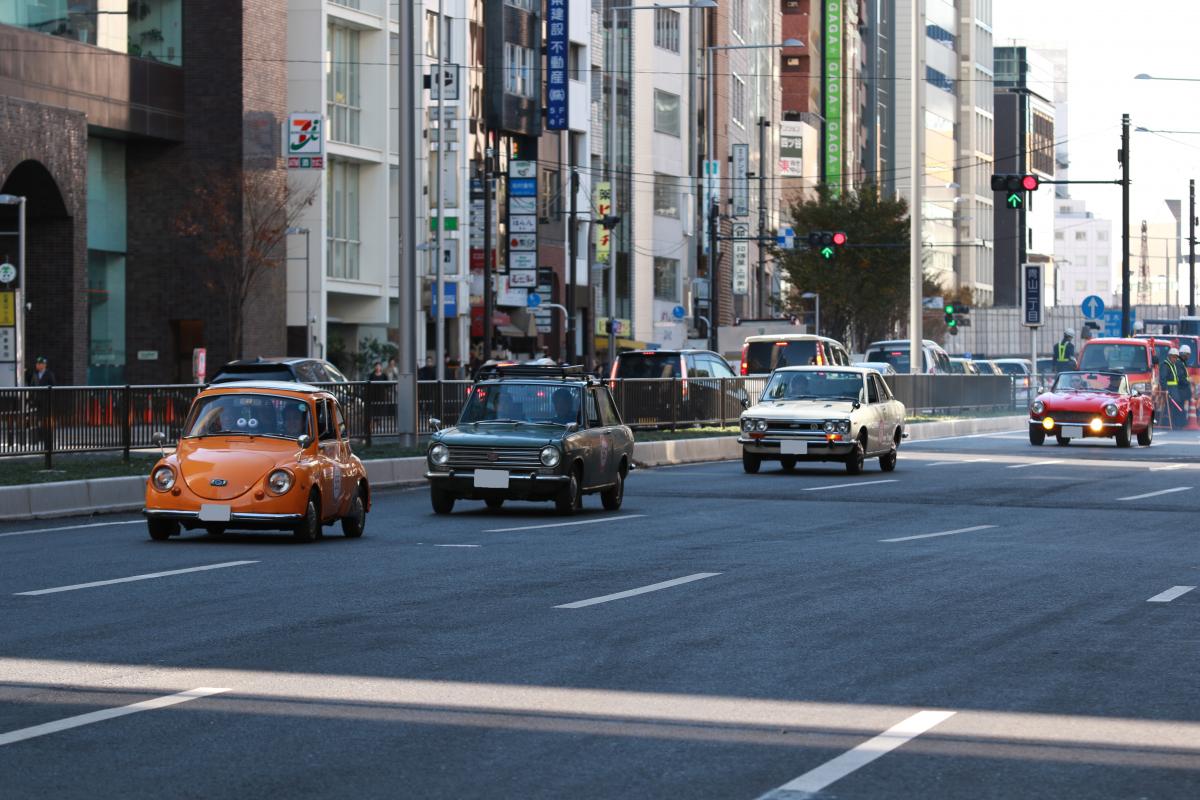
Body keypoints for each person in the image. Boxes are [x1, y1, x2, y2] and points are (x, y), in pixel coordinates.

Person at [1160, 347, 1190, 428]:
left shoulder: (1173, 365)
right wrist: (1165, 389)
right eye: (1173, 357)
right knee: (1172, 406)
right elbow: (1162, 379)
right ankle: (1168, 423)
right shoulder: (1165, 365)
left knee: (1174, 406)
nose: (1175, 359)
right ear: (1169, 356)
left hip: (1175, 389)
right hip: (1170, 389)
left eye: (1176, 357)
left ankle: (1173, 423)